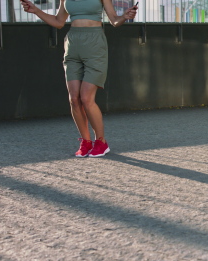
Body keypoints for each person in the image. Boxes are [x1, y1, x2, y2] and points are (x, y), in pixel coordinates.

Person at [20, 0, 138, 157]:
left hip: (95, 44)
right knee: (74, 99)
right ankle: (86, 141)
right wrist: (35, 10)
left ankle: (101, 142)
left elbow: (114, 20)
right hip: (73, 44)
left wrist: (124, 16)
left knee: (86, 98)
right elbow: (58, 22)